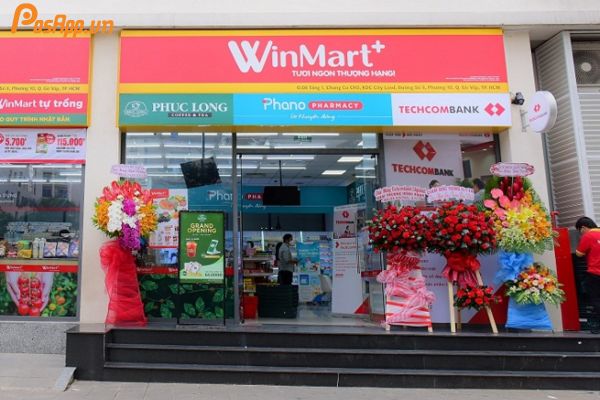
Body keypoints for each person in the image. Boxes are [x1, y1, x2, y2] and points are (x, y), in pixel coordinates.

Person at [575, 216, 600, 333]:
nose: (581, 234)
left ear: (583, 227)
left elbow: (579, 254)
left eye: (580, 231)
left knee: (595, 299)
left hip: (595, 273)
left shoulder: (588, 235)